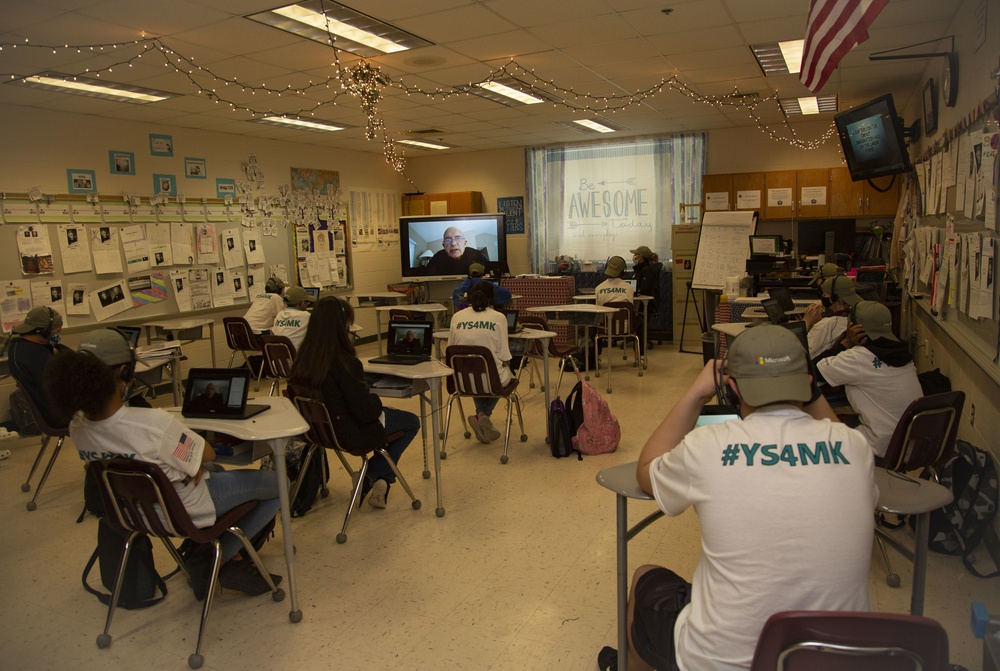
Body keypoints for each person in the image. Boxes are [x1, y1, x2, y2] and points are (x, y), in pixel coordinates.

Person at [599, 325, 875, 671]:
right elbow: (833, 430)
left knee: (645, 577)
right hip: (834, 661)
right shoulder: (855, 447)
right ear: (807, 384)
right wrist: (809, 388)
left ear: (730, 390)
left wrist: (696, 393)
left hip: (723, 662)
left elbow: (646, 470)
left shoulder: (708, 446)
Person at [43, 329, 283, 599]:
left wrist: (185, 466)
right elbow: (207, 453)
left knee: (212, 472)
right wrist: (188, 464)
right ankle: (218, 561)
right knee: (280, 484)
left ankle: (215, 552)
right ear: (124, 373)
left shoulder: (78, 427)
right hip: (184, 509)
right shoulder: (153, 424)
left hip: (135, 514)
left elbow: (146, 461)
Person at [290, 297, 419, 509]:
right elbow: (365, 412)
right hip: (350, 432)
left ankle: (381, 481)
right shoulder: (345, 363)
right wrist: (375, 397)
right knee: (411, 421)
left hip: (319, 433)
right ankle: (371, 475)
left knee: (391, 420)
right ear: (342, 328)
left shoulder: (302, 360)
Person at [814, 300, 923, 458]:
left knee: (821, 427)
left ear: (854, 327)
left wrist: (846, 342)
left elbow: (813, 370)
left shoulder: (859, 357)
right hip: (908, 445)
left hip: (881, 446)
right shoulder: (904, 355)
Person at [448, 281, 511, 443]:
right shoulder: (499, 318)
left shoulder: (456, 317)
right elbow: (505, 357)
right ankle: (483, 415)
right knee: (501, 374)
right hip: (490, 381)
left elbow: (450, 351)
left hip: (462, 382)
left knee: (477, 372)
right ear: (493, 299)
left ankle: (481, 415)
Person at [7, 306, 67, 427]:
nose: (58, 336)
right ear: (43, 331)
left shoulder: (18, 347)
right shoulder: (37, 355)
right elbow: (60, 389)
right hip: (59, 416)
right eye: (57, 332)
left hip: (48, 412)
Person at [803, 275, 862, 357]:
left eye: (824, 294)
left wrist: (806, 322)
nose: (822, 298)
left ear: (834, 298)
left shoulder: (827, 324)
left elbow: (800, 353)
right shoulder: (857, 318)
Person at [423, 226, 488, 275]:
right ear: (444, 246)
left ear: (464, 243)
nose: (453, 243)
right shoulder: (436, 258)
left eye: (458, 238)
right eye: (448, 240)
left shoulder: (478, 256)